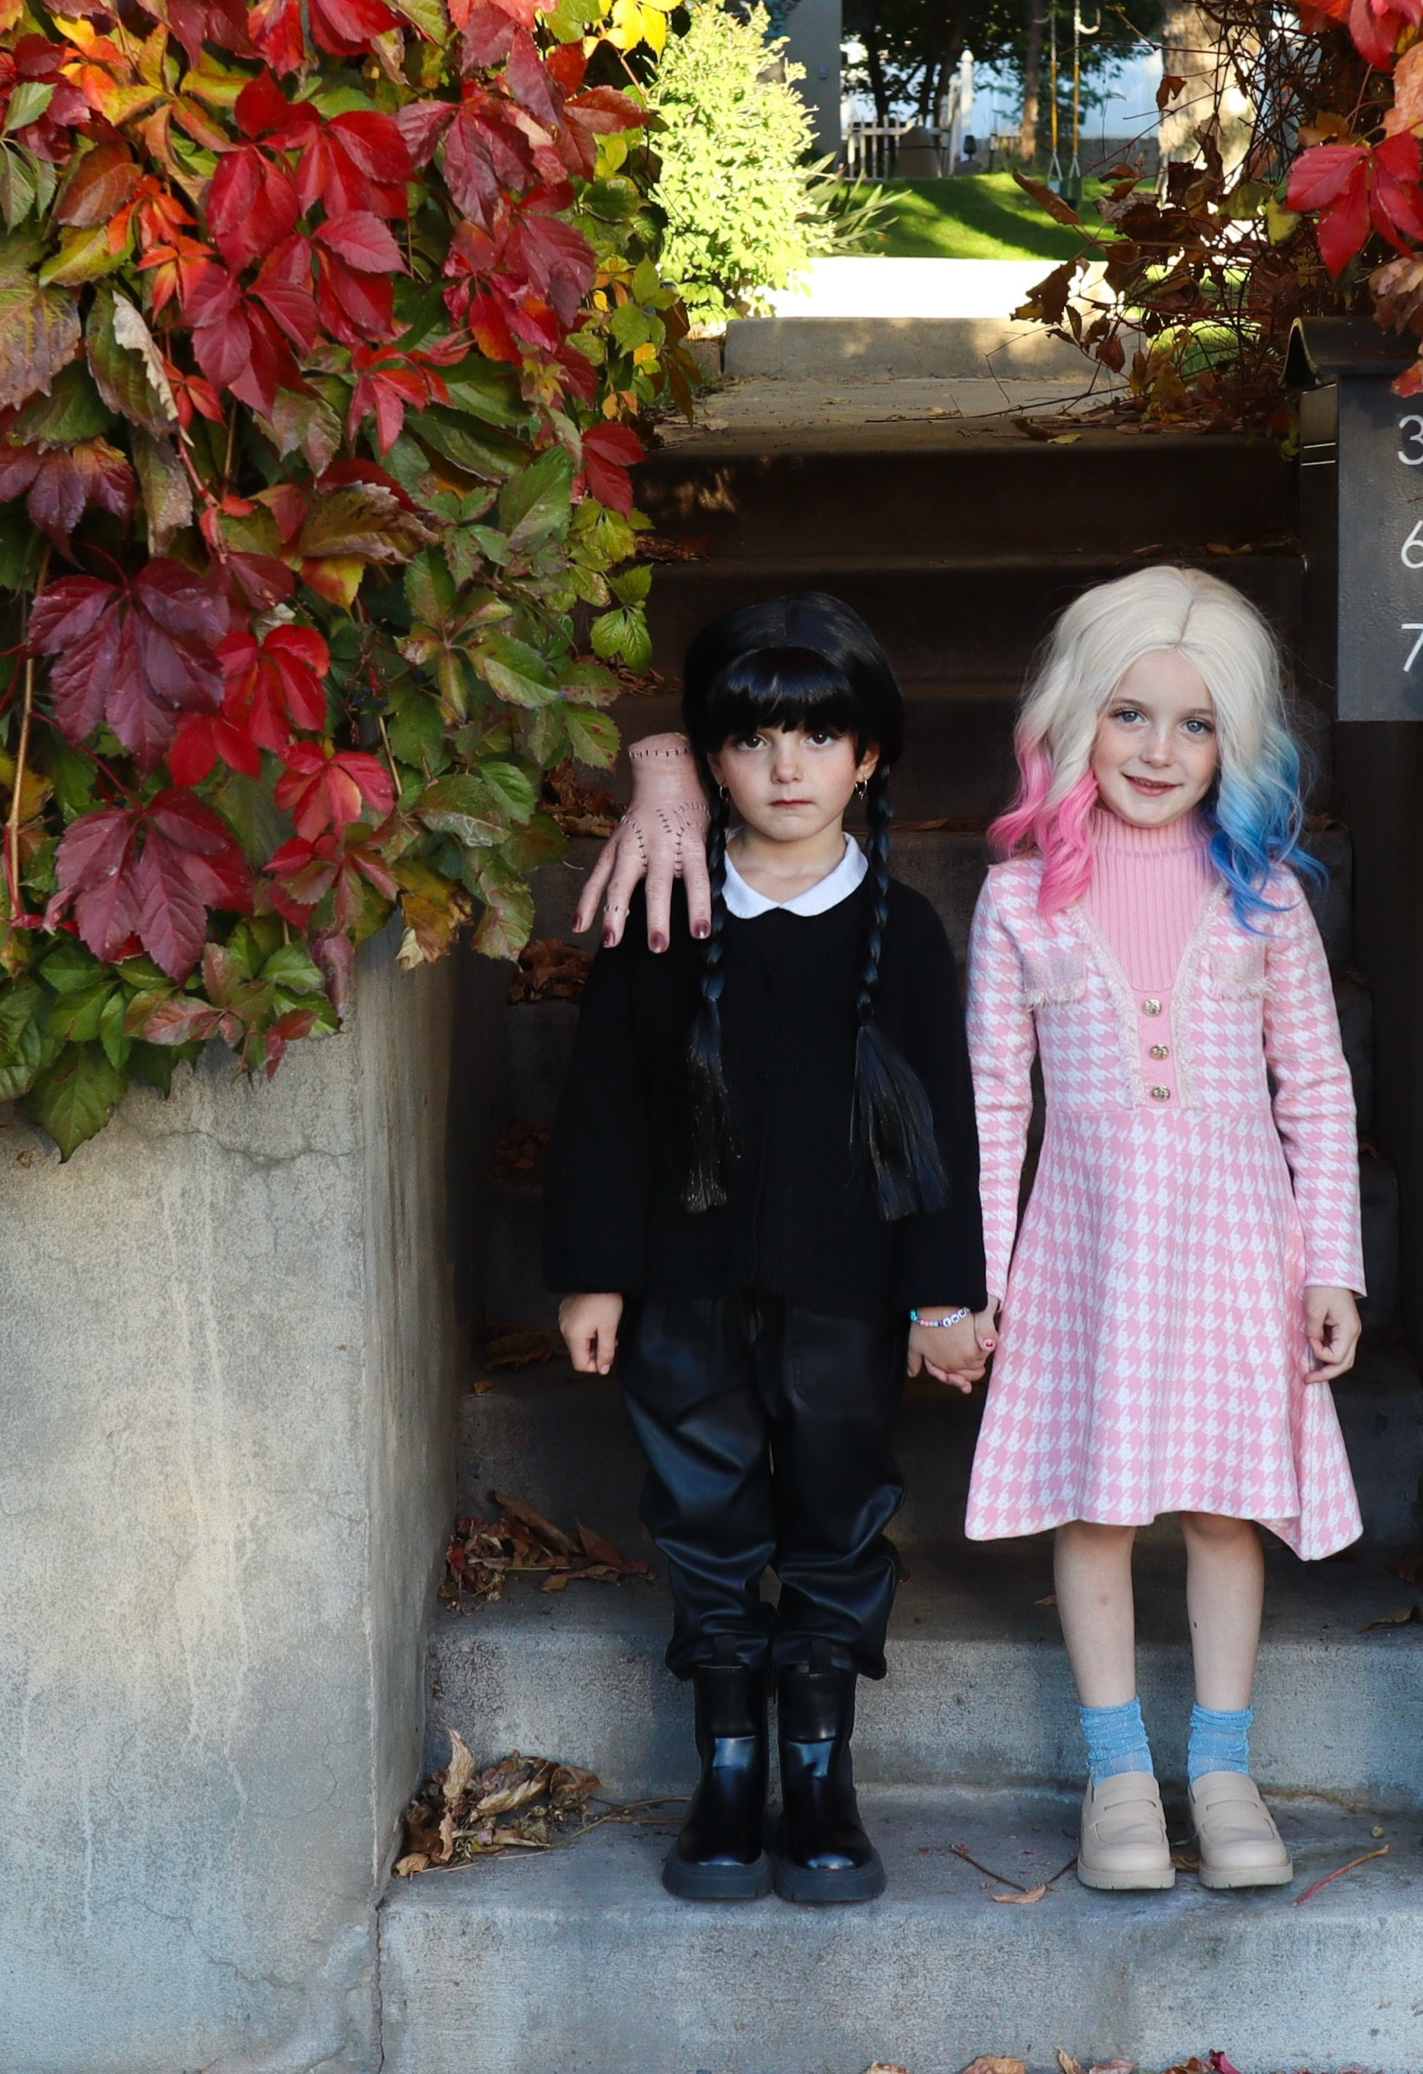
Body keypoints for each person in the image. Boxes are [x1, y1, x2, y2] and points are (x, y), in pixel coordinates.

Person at [546, 594, 991, 1906]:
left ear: (869, 760)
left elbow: (945, 1119)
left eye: (820, 738)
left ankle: (821, 1767)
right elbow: (603, 1101)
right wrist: (594, 1269)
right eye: (752, 739)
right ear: (713, 758)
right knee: (704, 1515)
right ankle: (730, 1770)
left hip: (848, 1297)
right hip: (683, 1291)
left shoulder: (901, 933)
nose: (787, 768)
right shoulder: (664, 908)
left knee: (837, 1519)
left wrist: (942, 1292)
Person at [963, 565, 1364, 1894]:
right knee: (1093, 1509)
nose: (1159, 751)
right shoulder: (1023, 901)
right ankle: (1119, 1772)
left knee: (1220, 1510)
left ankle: (1223, 1766)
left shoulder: (1265, 901)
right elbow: (987, 1101)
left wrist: (1334, 1269)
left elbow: (1316, 1089)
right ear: (1080, 715)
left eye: (1196, 727)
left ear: (1234, 745)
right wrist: (972, 1282)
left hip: (1239, 1249)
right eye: (1132, 715)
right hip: (1084, 1249)